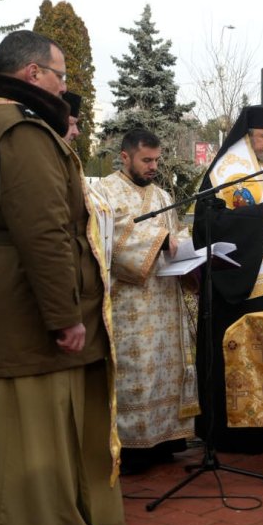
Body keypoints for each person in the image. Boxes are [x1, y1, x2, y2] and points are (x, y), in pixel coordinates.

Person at [0, 29, 124, 525]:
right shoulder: (20, 131)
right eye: (60, 75)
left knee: (12, 422)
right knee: (32, 424)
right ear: (31, 75)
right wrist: (64, 314)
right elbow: (43, 232)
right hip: (26, 299)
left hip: (4, 289)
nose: (64, 84)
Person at [192, 105, 263, 453]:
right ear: (248, 137)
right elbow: (206, 227)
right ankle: (241, 435)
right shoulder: (225, 172)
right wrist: (258, 216)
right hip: (247, 289)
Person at [90, 128, 199, 475]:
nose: (153, 166)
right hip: (130, 304)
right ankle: (134, 449)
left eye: (156, 160)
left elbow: (173, 235)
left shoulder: (163, 194)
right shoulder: (105, 192)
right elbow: (108, 243)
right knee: (136, 373)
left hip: (165, 301)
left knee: (165, 368)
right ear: (125, 157)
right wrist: (160, 238)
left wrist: (186, 248)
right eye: (146, 160)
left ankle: (166, 440)